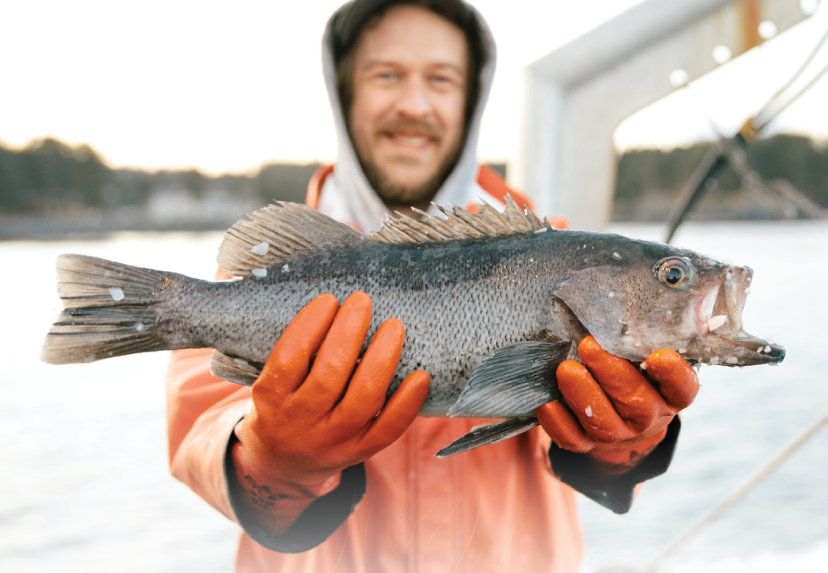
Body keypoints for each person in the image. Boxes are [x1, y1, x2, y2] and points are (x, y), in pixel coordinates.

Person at [165, 1, 700, 571]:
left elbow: (597, 469)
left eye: (440, 79)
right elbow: (201, 426)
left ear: (470, 101)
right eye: (386, 75)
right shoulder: (269, 274)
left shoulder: (564, 258)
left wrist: (627, 443)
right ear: (344, 92)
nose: (414, 105)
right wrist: (271, 460)